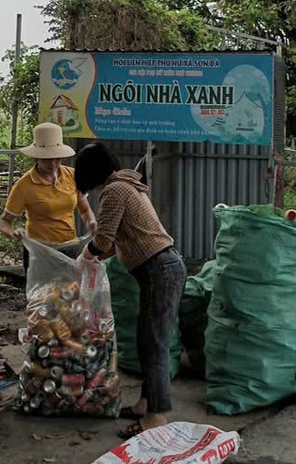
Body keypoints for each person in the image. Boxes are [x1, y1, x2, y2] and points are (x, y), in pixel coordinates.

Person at [75, 142, 186, 439]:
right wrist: (92, 256)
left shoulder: (114, 190)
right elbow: (114, 243)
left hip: (159, 269)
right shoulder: (127, 186)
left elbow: (104, 239)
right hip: (163, 268)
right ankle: (145, 404)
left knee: (154, 345)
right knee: (146, 341)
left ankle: (156, 417)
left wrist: (85, 257)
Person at [0, 123, 96, 269]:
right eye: (47, 159)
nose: (53, 164)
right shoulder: (24, 185)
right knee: (41, 291)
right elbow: (4, 222)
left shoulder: (71, 175)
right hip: (39, 251)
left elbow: (84, 210)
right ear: (37, 157)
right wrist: (13, 232)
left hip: (69, 247)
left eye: (57, 159)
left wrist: (91, 222)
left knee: (68, 290)